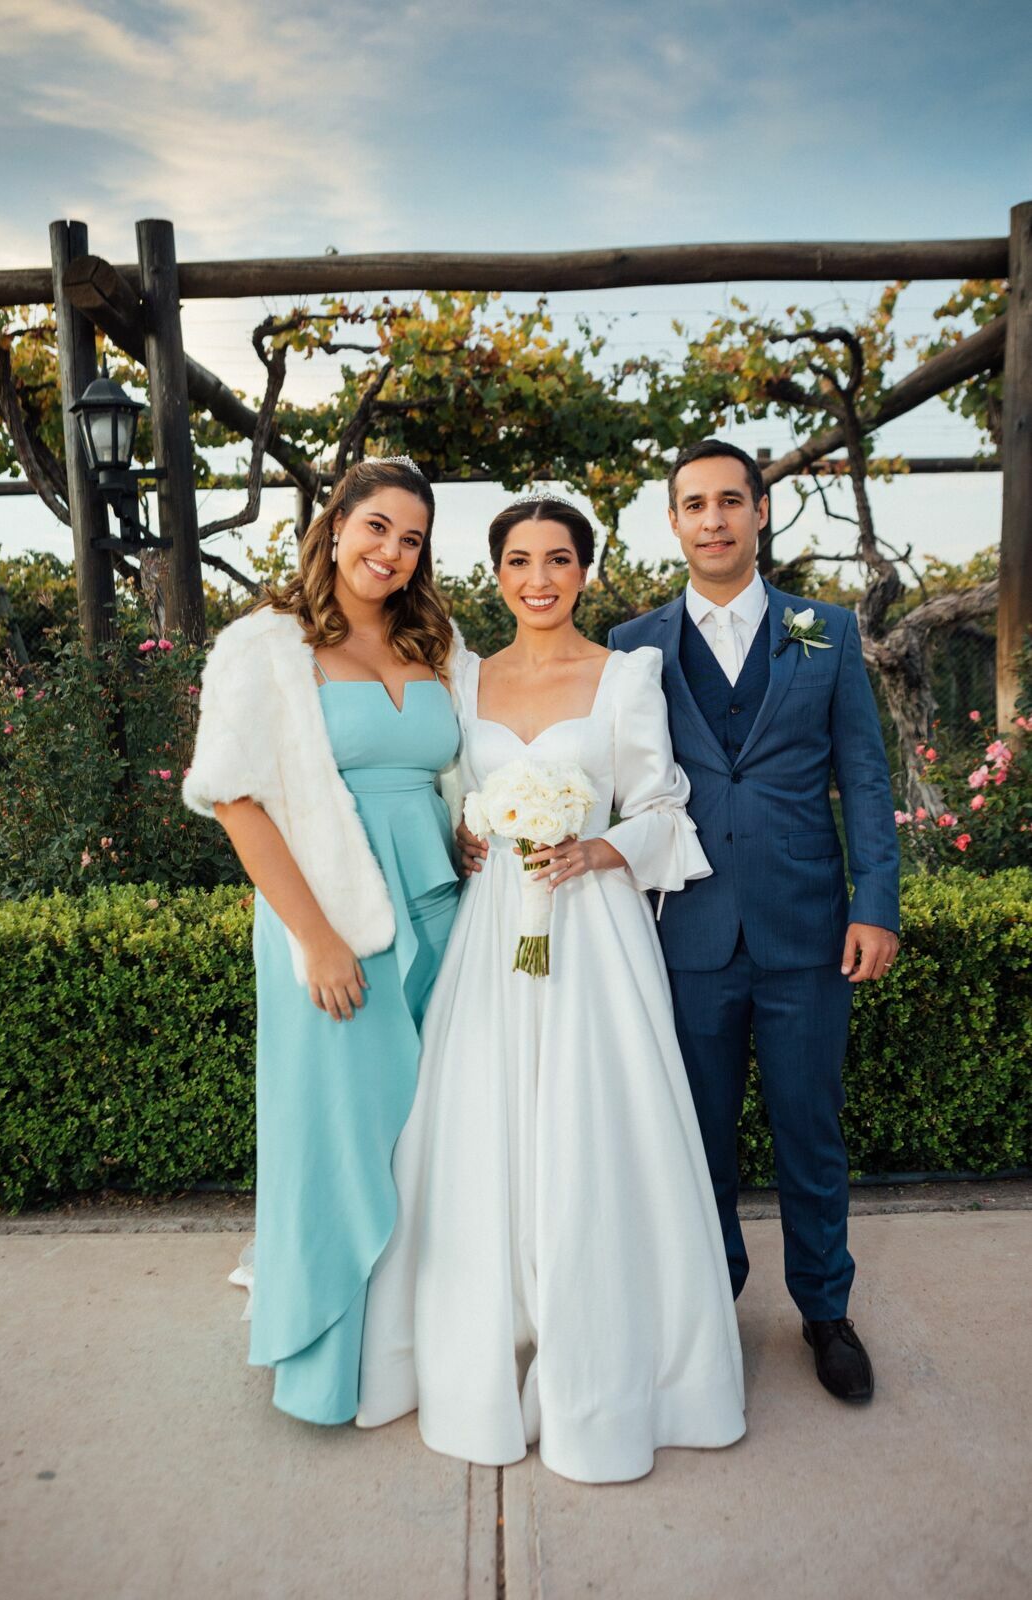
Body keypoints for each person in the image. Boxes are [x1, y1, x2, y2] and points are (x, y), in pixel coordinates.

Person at [357, 495, 745, 1484]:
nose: (539, 579)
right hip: (494, 930)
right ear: (496, 575)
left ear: (584, 570)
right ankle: (484, 1340)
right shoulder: (462, 675)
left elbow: (661, 804)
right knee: (479, 1124)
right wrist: (466, 831)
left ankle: (606, 1368)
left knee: (592, 1125)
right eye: (520, 561)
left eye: (558, 560)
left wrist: (598, 848)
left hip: (592, 928)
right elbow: (450, 794)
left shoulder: (626, 675)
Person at [609, 438, 900, 1403]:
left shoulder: (827, 631)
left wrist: (875, 903)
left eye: (730, 501)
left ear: (759, 511)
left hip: (806, 928)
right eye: (694, 504)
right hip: (685, 931)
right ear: (673, 521)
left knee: (809, 1129)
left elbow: (863, 776)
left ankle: (825, 1310)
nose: (714, 520)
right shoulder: (631, 644)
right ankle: (709, 1303)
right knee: (696, 1137)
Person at [183, 456, 462, 1425]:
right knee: (334, 1136)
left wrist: (472, 833)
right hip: (332, 919)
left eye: (412, 538)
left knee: (426, 1135)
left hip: (442, 911)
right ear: (335, 524)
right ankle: (323, 1362)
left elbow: (453, 776)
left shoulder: (436, 641)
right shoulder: (264, 645)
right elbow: (234, 798)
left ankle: (412, 1354)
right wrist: (316, 937)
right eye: (377, 526)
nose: (392, 551)